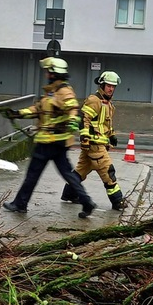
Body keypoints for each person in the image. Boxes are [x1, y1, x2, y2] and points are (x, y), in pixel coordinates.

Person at [2, 57, 97, 218]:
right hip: (55, 142)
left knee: (33, 174)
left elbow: (73, 108)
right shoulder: (52, 91)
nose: (46, 74)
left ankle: (20, 203)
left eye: (48, 72)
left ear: (54, 73)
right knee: (67, 173)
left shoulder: (64, 91)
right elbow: (37, 109)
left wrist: (74, 120)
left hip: (49, 142)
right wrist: (17, 113)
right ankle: (86, 201)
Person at [61, 71, 124, 210]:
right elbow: (84, 119)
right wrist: (84, 137)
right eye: (108, 85)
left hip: (98, 143)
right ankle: (117, 201)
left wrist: (111, 135)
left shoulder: (108, 104)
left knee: (80, 171)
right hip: (94, 145)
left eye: (113, 86)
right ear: (102, 85)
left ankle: (69, 194)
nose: (111, 89)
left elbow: (105, 124)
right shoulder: (94, 100)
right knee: (108, 172)